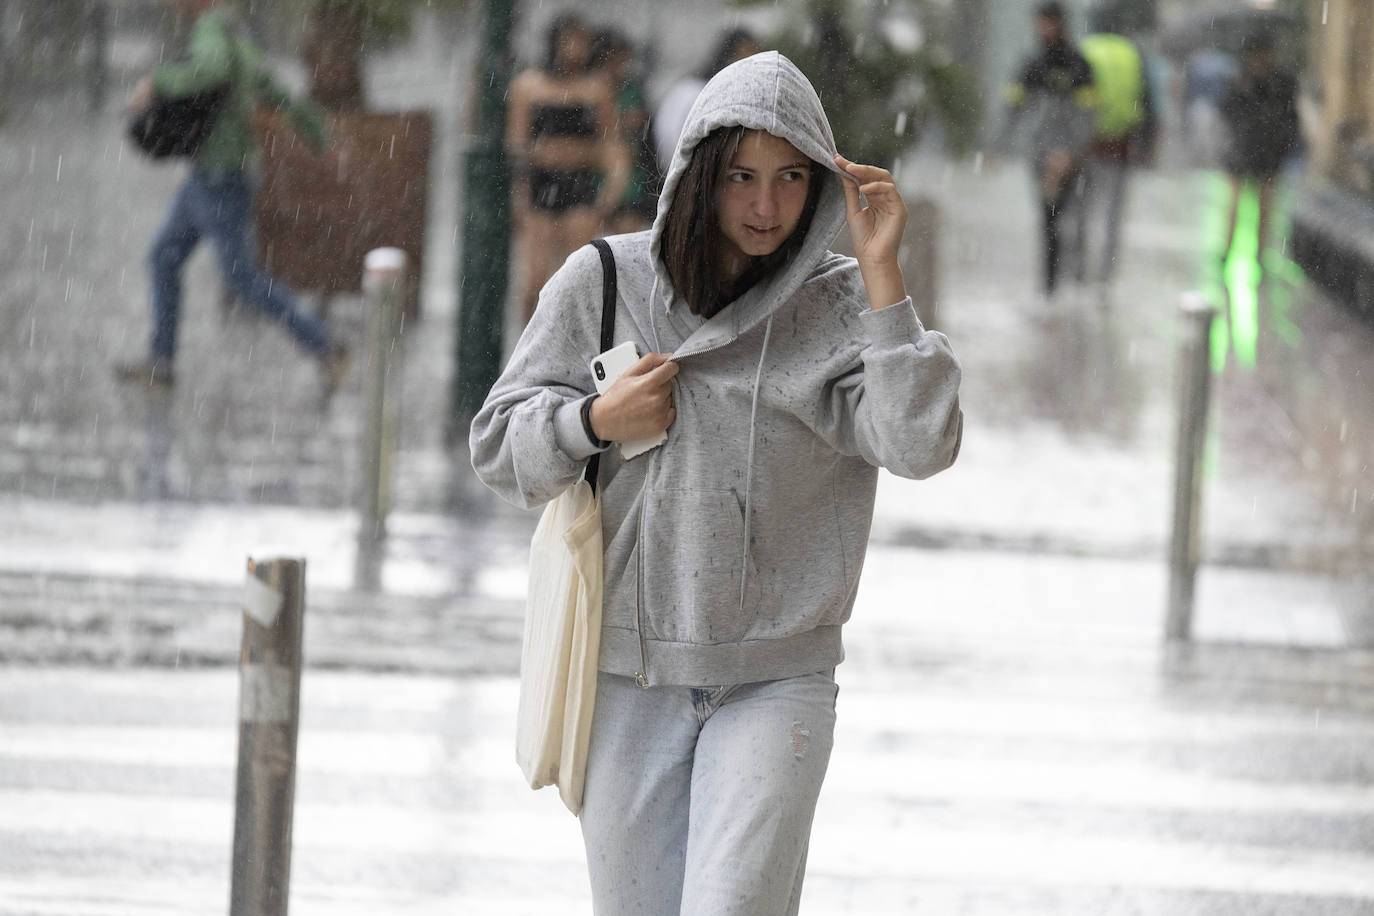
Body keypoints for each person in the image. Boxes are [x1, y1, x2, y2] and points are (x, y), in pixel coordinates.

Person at [471, 51, 963, 913]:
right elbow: (495, 443)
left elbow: (921, 441)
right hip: (627, 675)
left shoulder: (844, 306)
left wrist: (885, 278)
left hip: (779, 680)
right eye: (741, 176)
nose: (766, 206)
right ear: (700, 171)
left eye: (789, 178)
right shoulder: (605, 279)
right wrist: (590, 422)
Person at [117, 0, 346, 392]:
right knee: (163, 258)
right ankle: (161, 364)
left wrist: (157, 82)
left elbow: (212, 70)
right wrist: (314, 128)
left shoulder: (210, 30)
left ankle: (326, 347)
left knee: (242, 280)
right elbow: (273, 88)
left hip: (220, 178)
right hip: (211, 175)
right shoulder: (231, 33)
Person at [507, 12, 630, 325]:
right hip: (540, 181)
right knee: (534, 281)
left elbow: (610, 141)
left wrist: (614, 187)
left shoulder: (597, 87)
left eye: (582, 41)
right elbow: (516, 144)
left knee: (577, 275)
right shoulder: (529, 85)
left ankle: (573, 344)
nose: (576, 48)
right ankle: (529, 345)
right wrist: (520, 192)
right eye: (570, 40)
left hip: (580, 181)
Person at [994, 1, 1097, 298]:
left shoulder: (1079, 64)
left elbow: (1087, 115)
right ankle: (1050, 289)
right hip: (1039, 156)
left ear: (1059, 24)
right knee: (1048, 218)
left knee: (1073, 219)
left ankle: (1075, 286)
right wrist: (998, 146)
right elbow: (1013, 106)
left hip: (1072, 159)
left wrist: (1069, 152)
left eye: (1046, 22)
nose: (1042, 29)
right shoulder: (1032, 63)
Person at [1071, 5, 1157, 288]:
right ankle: (1105, 277)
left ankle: (1079, 270)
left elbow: (1074, 97)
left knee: (1082, 209)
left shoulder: (1084, 49)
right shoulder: (1131, 53)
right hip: (1121, 145)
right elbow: (1145, 100)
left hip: (1086, 145)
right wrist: (1146, 143)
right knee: (1112, 214)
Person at [1217, 32, 1300, 271]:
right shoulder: (1240, 78)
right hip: (1241, 152)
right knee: (1234, 206)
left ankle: (1260, 255)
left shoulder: (1282, 81)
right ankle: (1227, 250)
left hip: (1269, 154)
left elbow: (1290, 118)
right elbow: (1227, 109)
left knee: (1265, 209)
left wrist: (1284, 145)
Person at [651, 27, 761, 175]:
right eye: (747, 52)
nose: (754, 60)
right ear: (730, 56)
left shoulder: (691, 87)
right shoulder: (702, 93)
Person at [590, 27, 658, 234]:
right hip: (595, 171)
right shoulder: (590, 88)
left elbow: (635, 121)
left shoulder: (631, 90)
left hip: (629, 176)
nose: (618, 66)